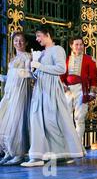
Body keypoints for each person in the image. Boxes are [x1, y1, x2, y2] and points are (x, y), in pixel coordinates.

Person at [21, 25, 85, 167]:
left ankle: (57, 154)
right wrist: (32, 71)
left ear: (48, 34)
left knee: (51, 122)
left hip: (51, 90)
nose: (37, 39)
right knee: (39, 121)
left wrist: (40, 66)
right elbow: (41, 72)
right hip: (41, 89)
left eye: (39, 35)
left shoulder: (57, 49)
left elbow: (61, 68)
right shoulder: (43, 53)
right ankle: (40, 156)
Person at [0, 32, 32, 165]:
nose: (18, 43)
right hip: (11, 92)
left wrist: (20, 73)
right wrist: (5, 77)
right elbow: (12, 76)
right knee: (5, 118)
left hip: (21, 91)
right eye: (16, 41)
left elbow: (31, 74)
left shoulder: (28, 56)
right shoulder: (12, 59)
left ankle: (19, 153)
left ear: (26, 43)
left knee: (17, 121)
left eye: (21, 41)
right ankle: (9, 151)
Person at [60, 36, 97, 144]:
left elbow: (93, 78)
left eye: (81, 44)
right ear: (71, 46)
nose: (79, 47)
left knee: (79, 118)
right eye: (76, 44)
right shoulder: (66, 60)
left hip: (82, 89)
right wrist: (63, 85)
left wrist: (92, 91)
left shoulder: (89, 60)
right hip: (68, 91)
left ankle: (77, 145)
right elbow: (61, 76)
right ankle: (68, 144)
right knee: (67, 117)